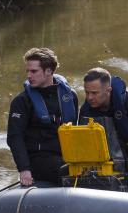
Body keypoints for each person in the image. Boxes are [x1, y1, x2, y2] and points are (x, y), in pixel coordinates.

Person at [7, 48, 78, 186]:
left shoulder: (69, 97)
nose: (29, 75)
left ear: (49, 71)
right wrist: (24, 169)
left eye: (34, 71)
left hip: (65, 156)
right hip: (38, 159)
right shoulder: (21, 101)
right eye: (27, 71)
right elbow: (15, 137)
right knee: (66, 171)